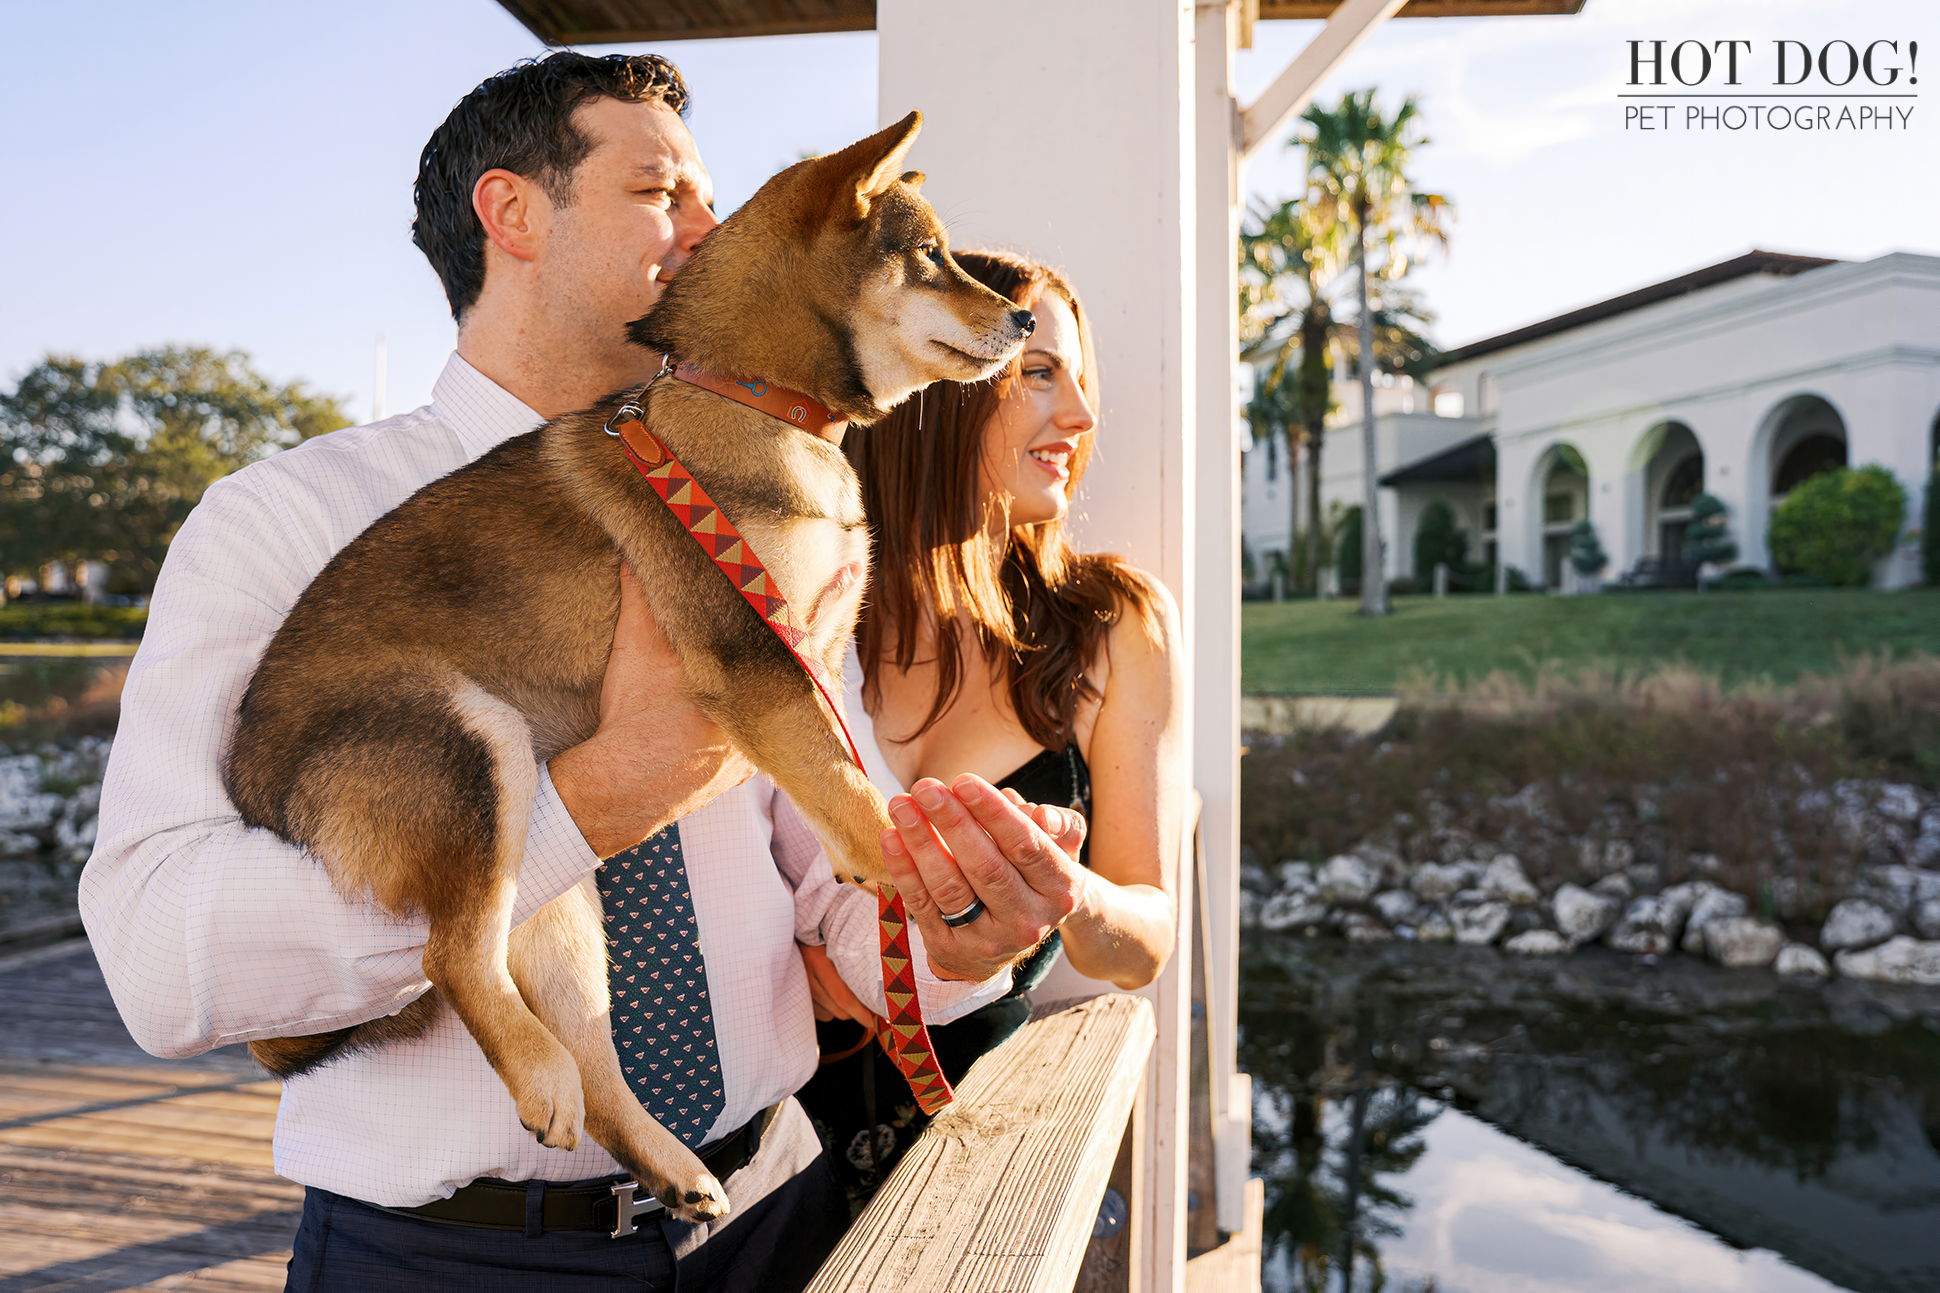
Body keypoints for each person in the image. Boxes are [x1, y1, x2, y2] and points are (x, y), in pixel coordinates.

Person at [79, 53, 1088, 1292]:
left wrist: (960, 936)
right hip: (445, 1261)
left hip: (769, 1216)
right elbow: (159, 962)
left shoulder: (757, 502)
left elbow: (832, 895)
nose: (716, 228)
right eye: (662, 191)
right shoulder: (280, 524)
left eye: (712, 197)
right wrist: (588, 805)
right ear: (511, 214)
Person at [797, 250, 1184, 1204]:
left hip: (981, 1167)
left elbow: (1147, 937)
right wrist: (781, 960)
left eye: (1081, 380)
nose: (1082, 419)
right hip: (768, 1170)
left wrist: (1067, 893)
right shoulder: (799, 620)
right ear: (938, 387)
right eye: (1040, 372)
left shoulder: (1111, 625)